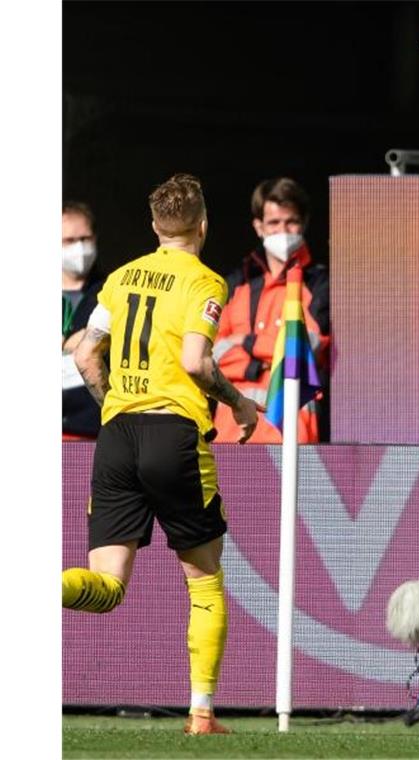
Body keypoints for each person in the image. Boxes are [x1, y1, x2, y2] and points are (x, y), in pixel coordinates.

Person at [62, 173, 262, 735]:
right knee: (203, 582)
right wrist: (240, 403)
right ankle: (201, 713)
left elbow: (84, 355)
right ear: (203, 225)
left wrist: (113, 406)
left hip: (117, 435)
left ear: (154, 228)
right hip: (173, 436)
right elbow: (198, 362)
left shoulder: (121, 277)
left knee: (108, 588)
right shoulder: (205, 281)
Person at [211, 177, 330, 443]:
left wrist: (246, 342)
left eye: (291, 222)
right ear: (258, 226)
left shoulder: (320, 284)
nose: (283, 230)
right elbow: (210, 354)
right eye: (274, 223)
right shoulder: (236, 283)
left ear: (304, 224)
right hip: (231, 433)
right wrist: (260, 364)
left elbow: (301, 352)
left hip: (292, 437)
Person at [62, 201, 107, 438]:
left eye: (85, 239)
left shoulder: (110, 290)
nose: (79, 248)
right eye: (69, 241)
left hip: (92, 428)